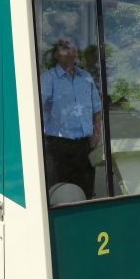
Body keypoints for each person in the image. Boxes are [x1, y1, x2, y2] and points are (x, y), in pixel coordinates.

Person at [40, 38, 102, 199]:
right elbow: (38, 106)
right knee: (62, 189)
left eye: (73, 49)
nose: (71, 53)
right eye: (66, 49)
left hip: (84, 143)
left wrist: (97, 131)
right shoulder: (49, 78)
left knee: (86, 187)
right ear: (56, 55)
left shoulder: (86, 76)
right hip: (59, 143)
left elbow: (96, 107)